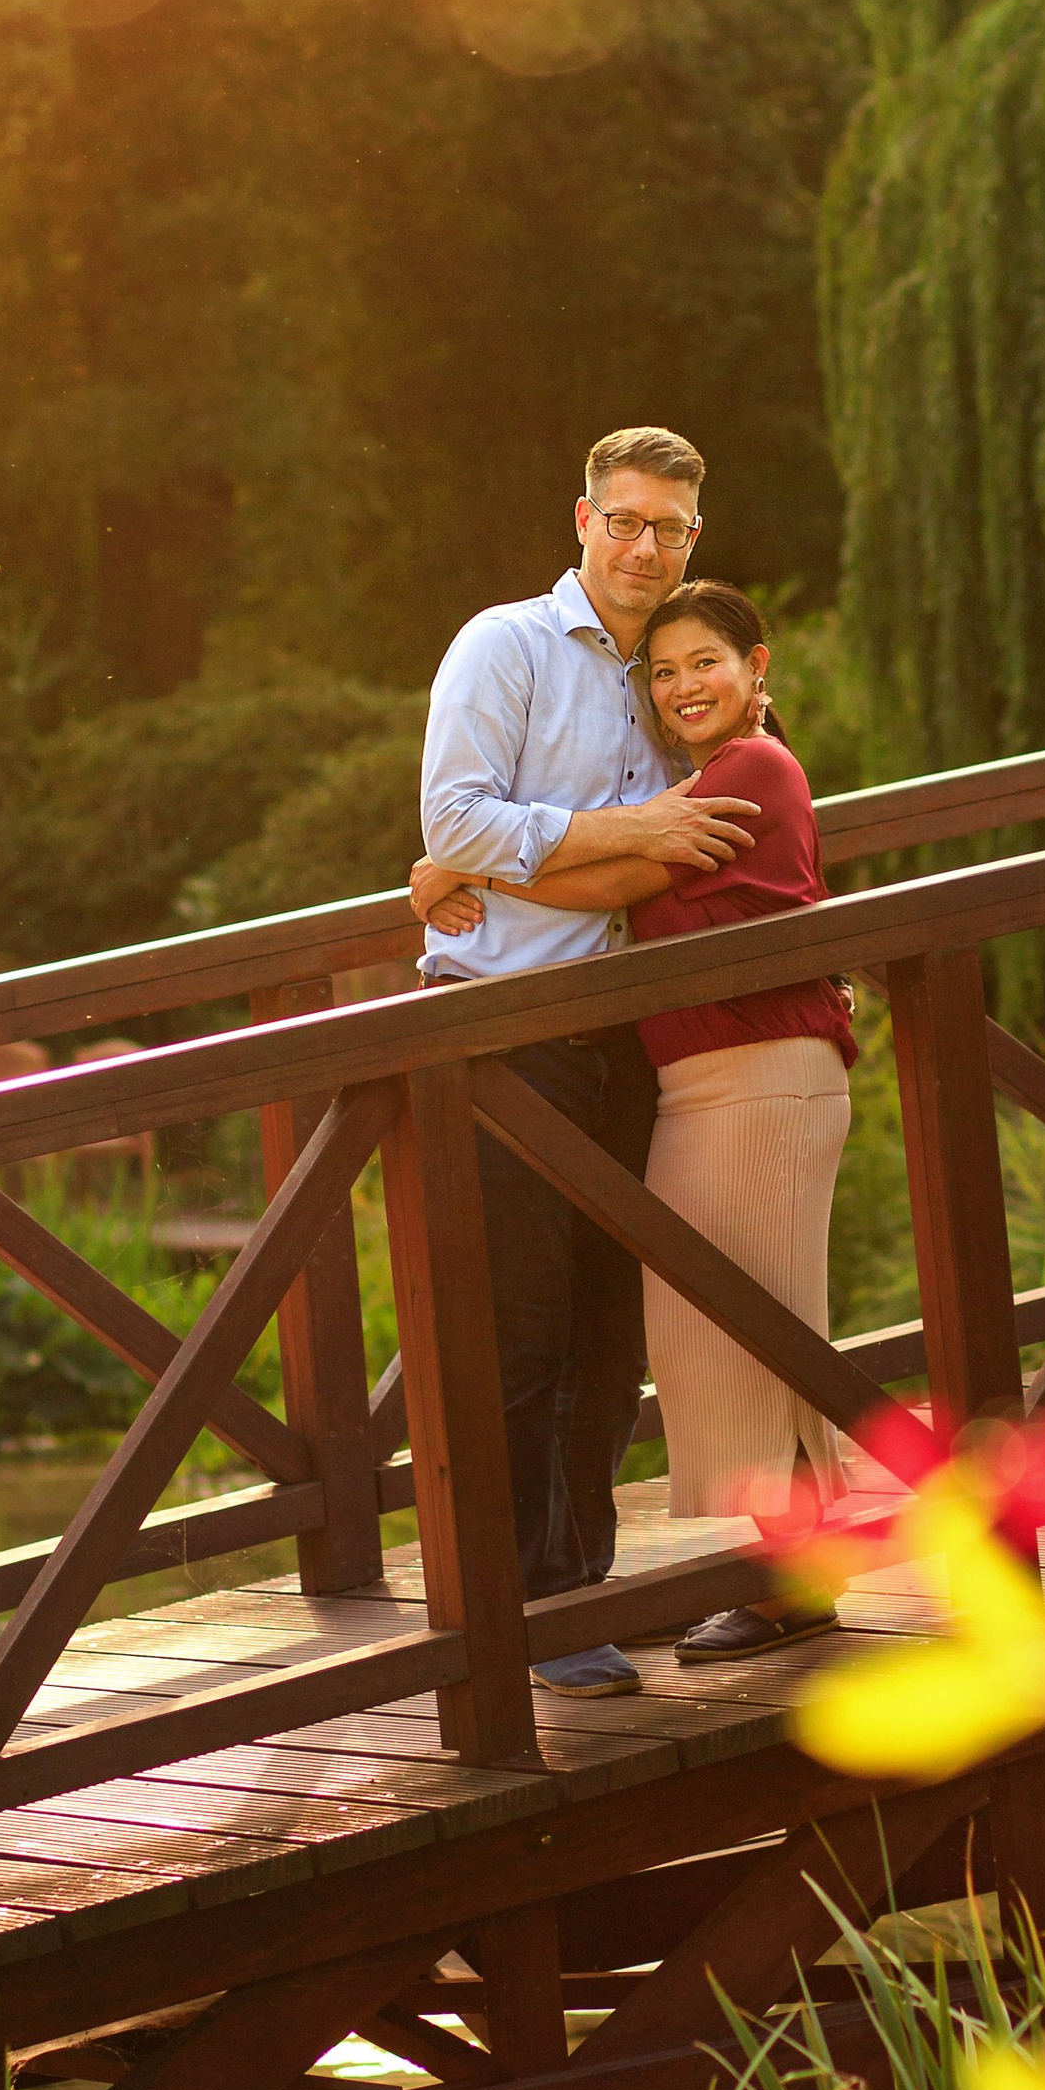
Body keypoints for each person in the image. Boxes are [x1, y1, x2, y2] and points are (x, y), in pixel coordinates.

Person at [416, 579, 855, 1666]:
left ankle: (796, 1583)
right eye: (663, 673)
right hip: (705, 1083)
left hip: (760, 1075)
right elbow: (627, 866)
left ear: (758, 668)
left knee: (761, 1327)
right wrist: (470, 867)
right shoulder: (693, 776)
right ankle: (780, 1576)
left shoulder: (750, 771)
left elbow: (631, 878)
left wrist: (465, 870)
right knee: (735, 1327)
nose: (682, 687)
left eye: (706, 662)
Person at [415, 427, 761, 1695]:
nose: (643, 547)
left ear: (692, 537)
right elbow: (454, 817)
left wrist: (476, 865)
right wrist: (625, 828)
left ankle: (585, 1587)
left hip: (630, 1037)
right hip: (502, 1031)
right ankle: (534, 1607)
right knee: (524, 1334)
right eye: (624, 520)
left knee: (612, 1337)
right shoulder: (502, 644)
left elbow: (716, 819)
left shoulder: (675, 668)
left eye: (668, 528)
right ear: (582, 520)